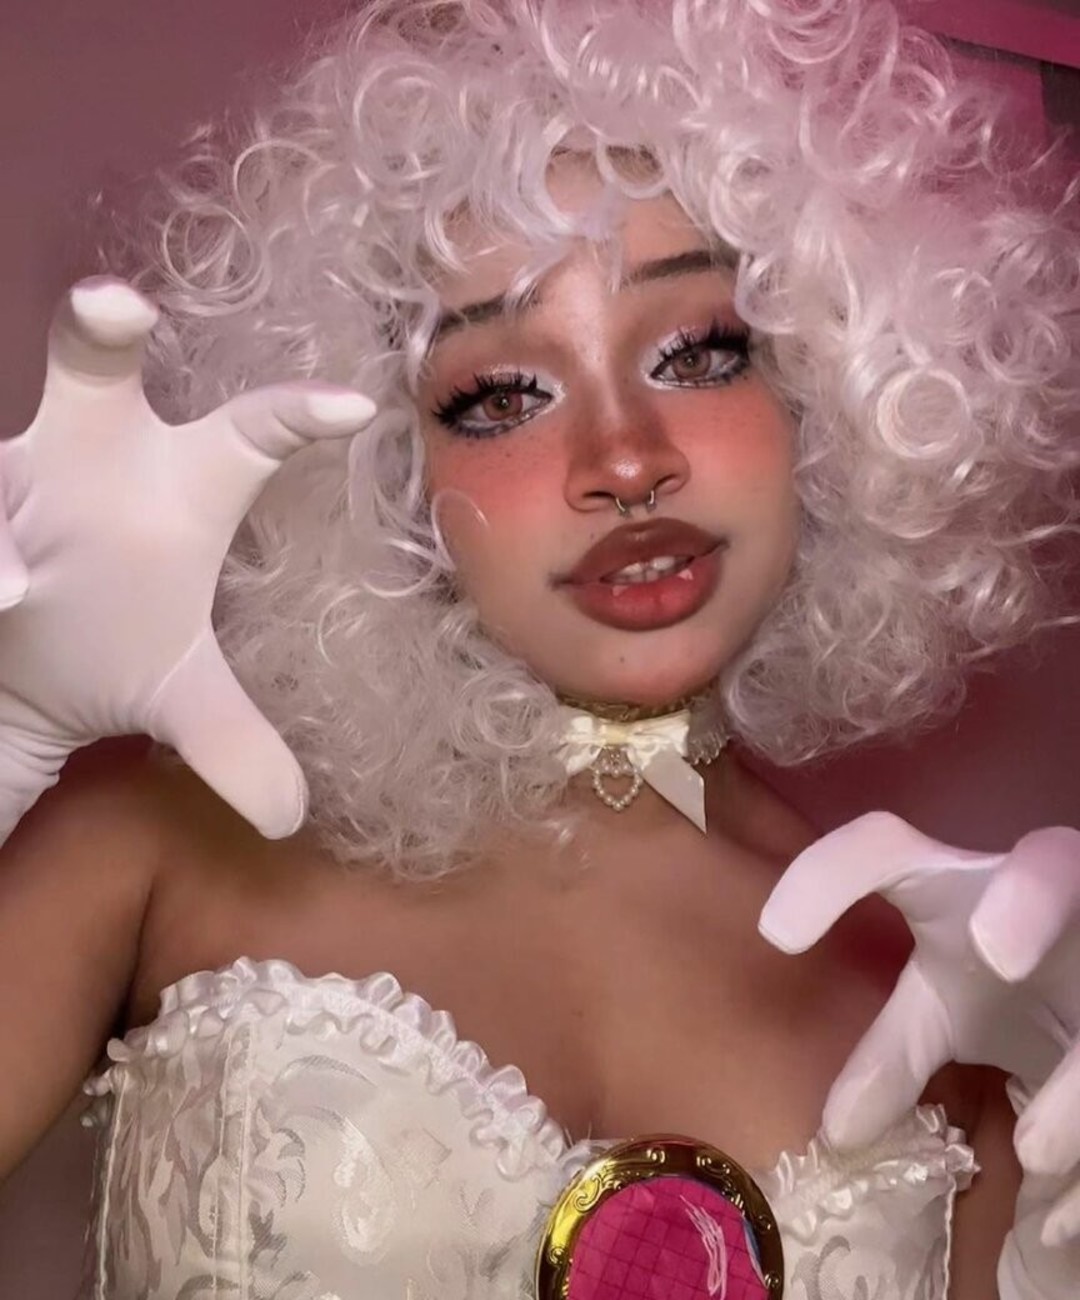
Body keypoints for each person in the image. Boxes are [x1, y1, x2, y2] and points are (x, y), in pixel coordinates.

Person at [0, 0, 1077, 1296]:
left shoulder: (940, 988)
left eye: (698, 352)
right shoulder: (165, 834)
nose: (625, 458)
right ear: (392, 474)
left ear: (822, 391)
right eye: (503, 394)